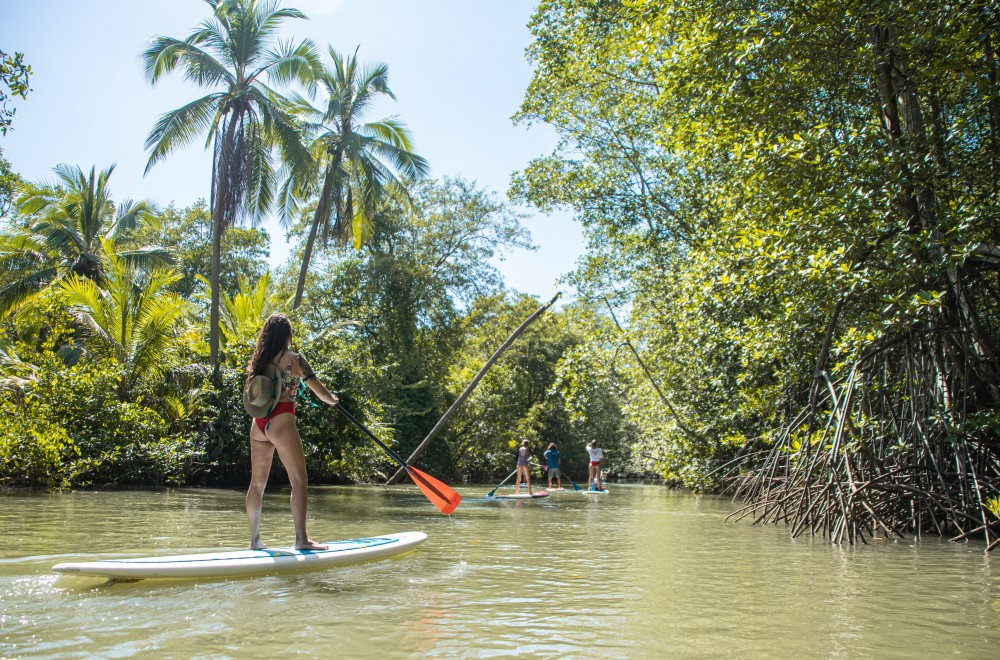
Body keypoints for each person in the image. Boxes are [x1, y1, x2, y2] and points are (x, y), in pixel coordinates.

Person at [243, 313, 340, 550]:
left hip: (258, 423)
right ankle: (301, 540)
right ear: (287, 335)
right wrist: (334, 401)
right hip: (281, 421)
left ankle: (255, 540)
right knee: (299, 482)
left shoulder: (259, 361)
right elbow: (319, 390)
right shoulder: (294, 359)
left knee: (257, 484)